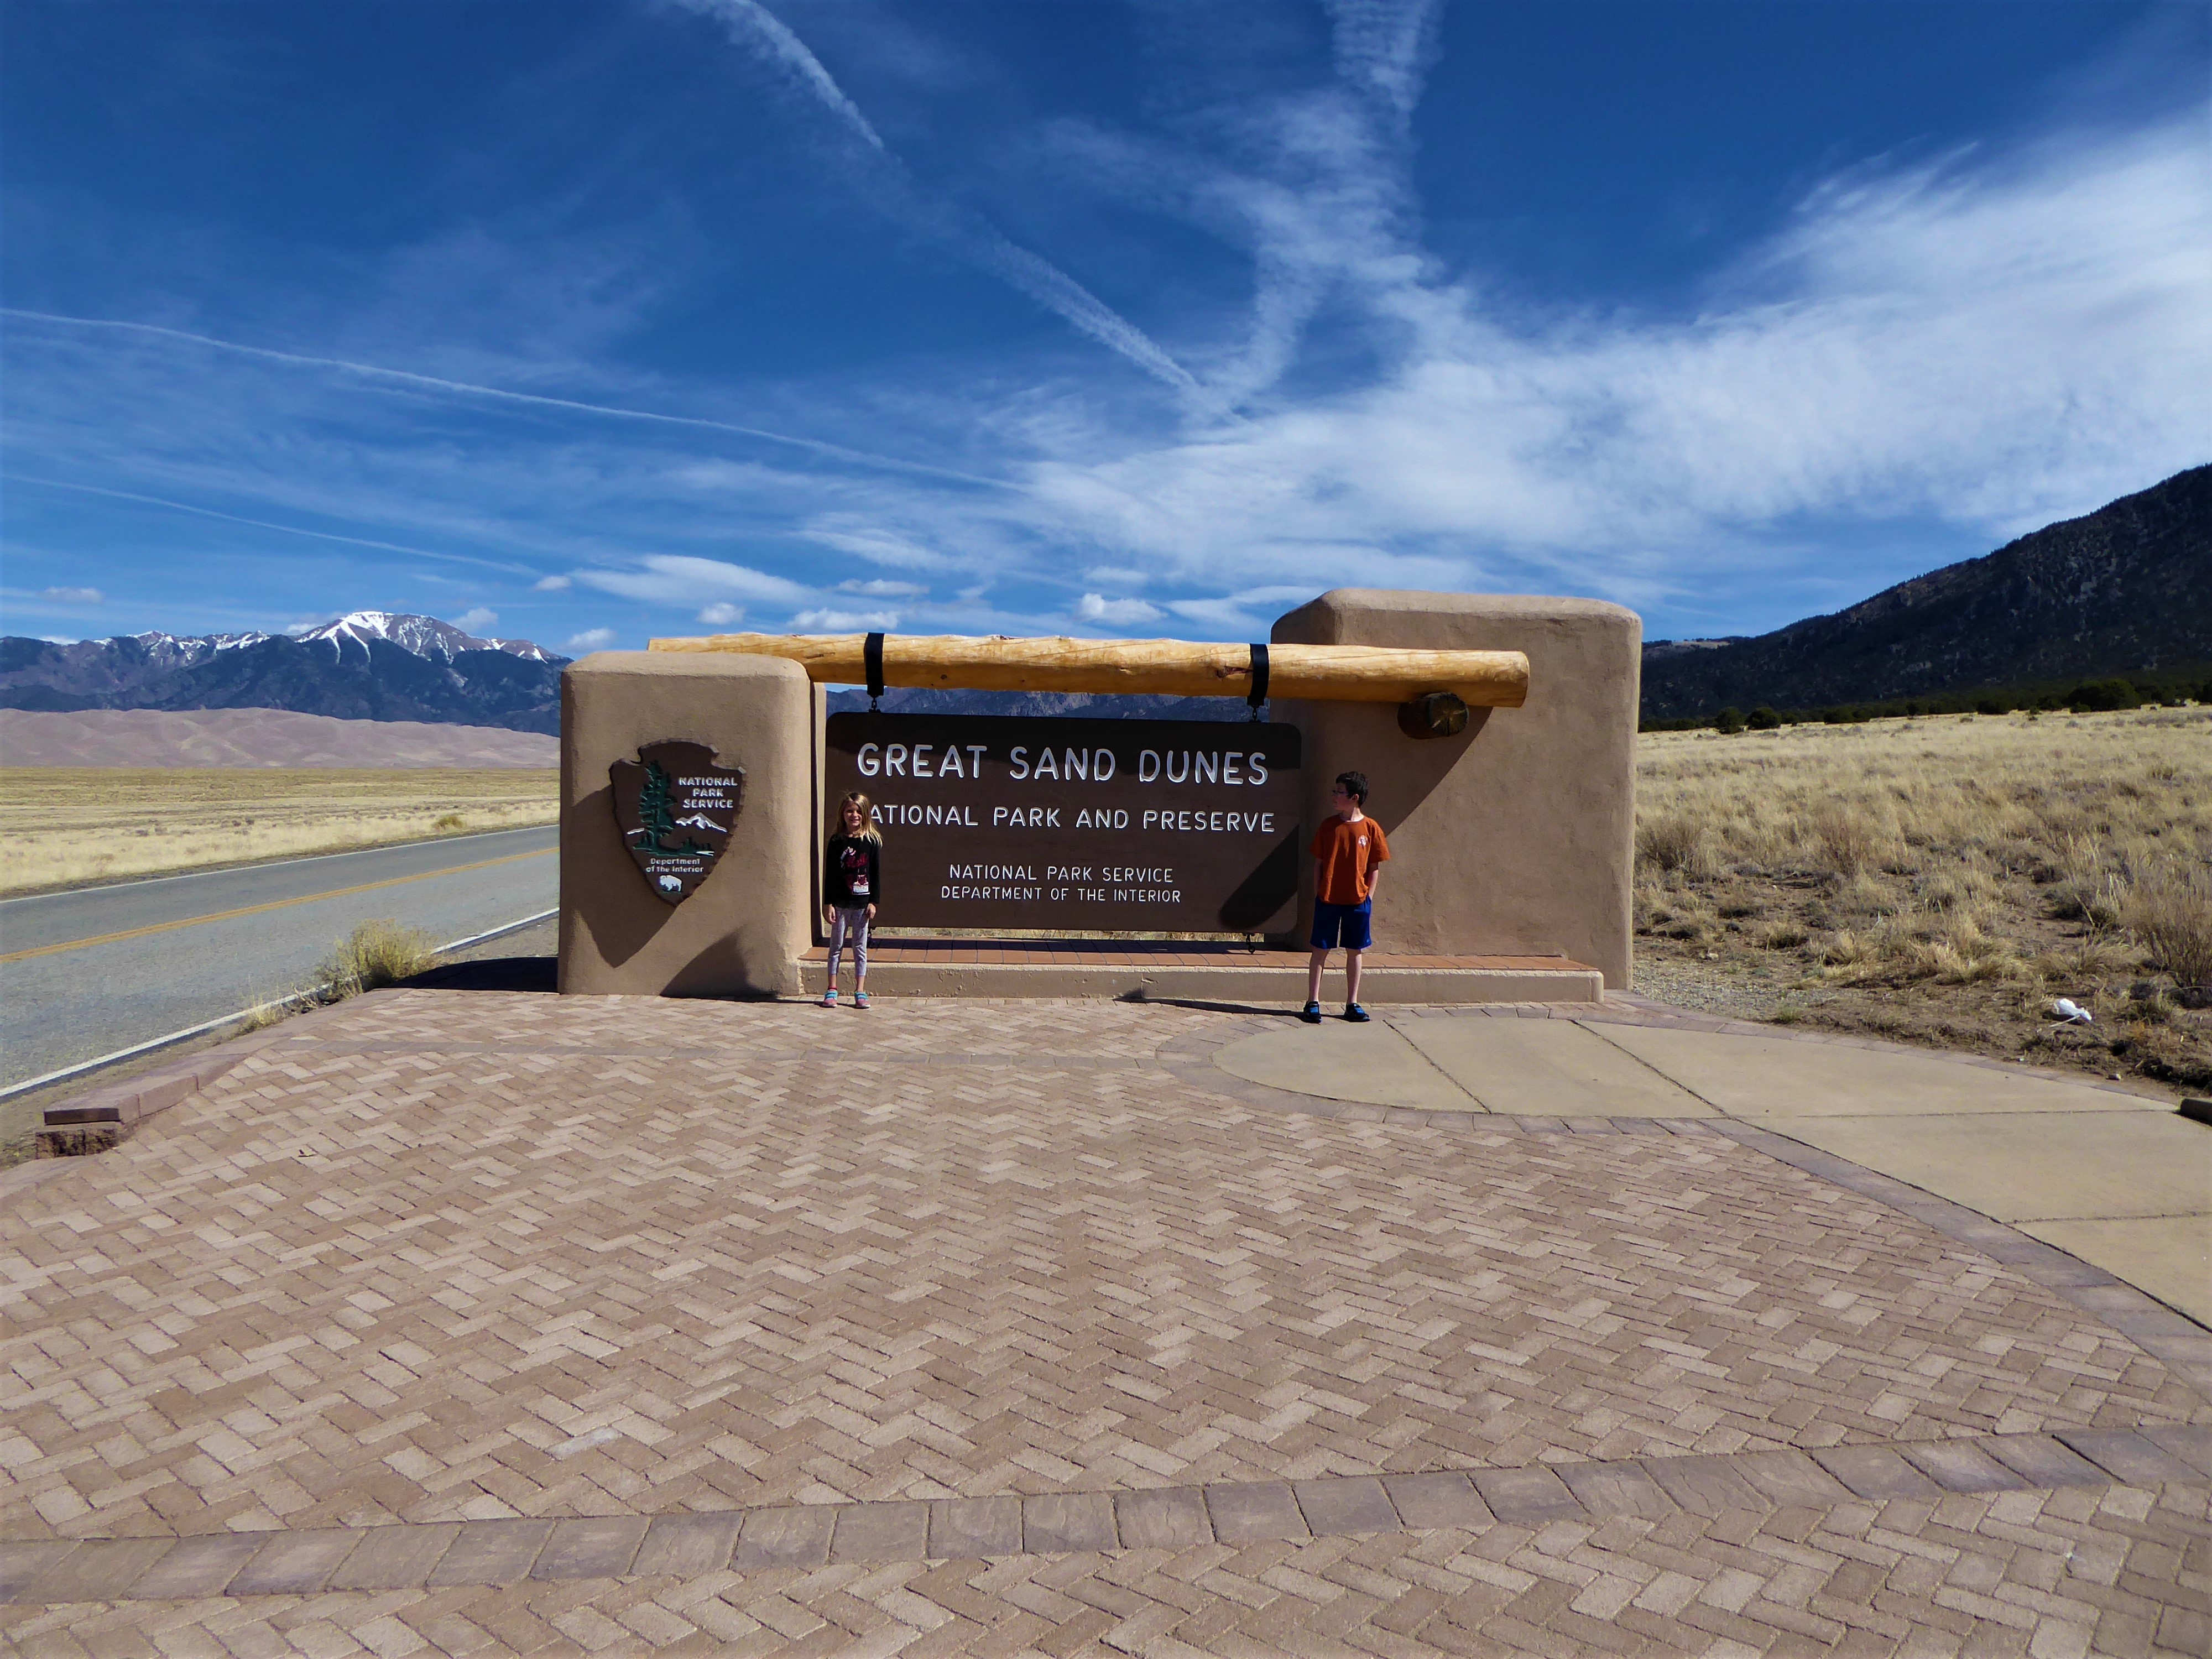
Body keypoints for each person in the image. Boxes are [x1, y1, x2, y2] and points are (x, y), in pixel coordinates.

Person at [1304, 770, 1388, 1024]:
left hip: (1358, 902)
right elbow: (1318, 863)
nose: (1334, 796)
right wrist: (1319, 891)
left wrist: (1368, 899)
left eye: (1339, 792)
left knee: (1355, 951)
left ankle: (1352, 1003)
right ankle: (1312, 1002)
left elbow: (1374, 868)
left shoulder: (1371, 828)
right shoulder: (1328, 826)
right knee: (1321, 950)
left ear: (1354, 797)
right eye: (1335, 791)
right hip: (1328, 900)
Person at [822, 791, 881, 1008]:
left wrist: (873, 901)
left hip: (861, 905)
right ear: (843, 814)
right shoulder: (837, 841)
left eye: (858, 811)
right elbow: (829, 875)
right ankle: (832, 989)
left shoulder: (871, 842)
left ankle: (860, 991)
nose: (854, 815)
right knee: (836, 947)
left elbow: (875, 874)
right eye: (849, 811)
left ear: (865, 814)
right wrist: (828, 903)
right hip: (840, 904)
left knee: (860, 947)